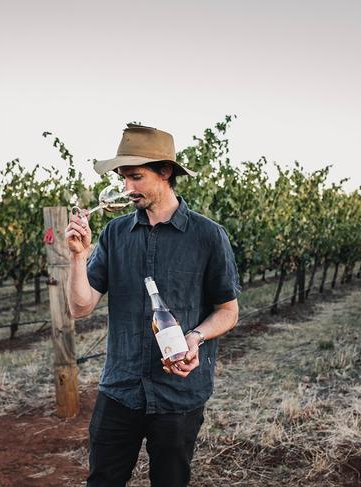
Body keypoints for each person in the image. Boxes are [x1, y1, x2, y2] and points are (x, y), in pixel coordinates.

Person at [65, 124, 241, 487]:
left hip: (179, 395)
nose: (128, 188)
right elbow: (80, 307)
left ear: (165, 172)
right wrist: (78, 257)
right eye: (123, 178)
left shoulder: (208, 236)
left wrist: (195, 337)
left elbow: (228, 310)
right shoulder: (114, 234)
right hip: (120, 388)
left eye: (136, 177)